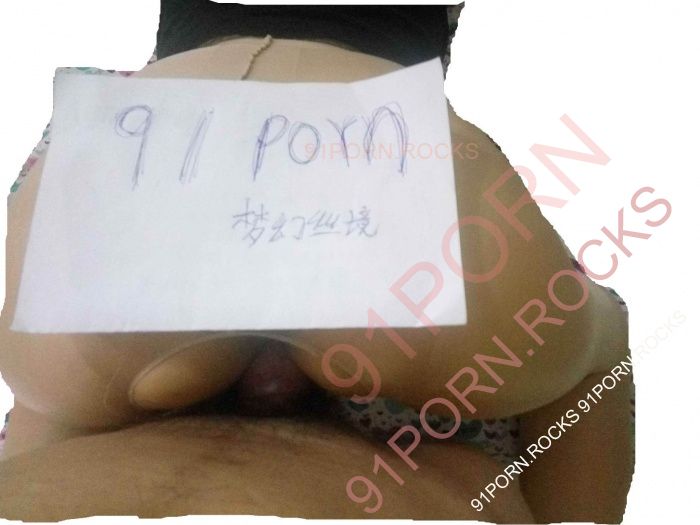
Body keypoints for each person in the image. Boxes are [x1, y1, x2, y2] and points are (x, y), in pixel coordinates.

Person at [0, 2, 633, 521]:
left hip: (147, 142)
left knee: (57, 404)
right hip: (385, 151)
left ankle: (129, 381)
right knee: (599, 345)